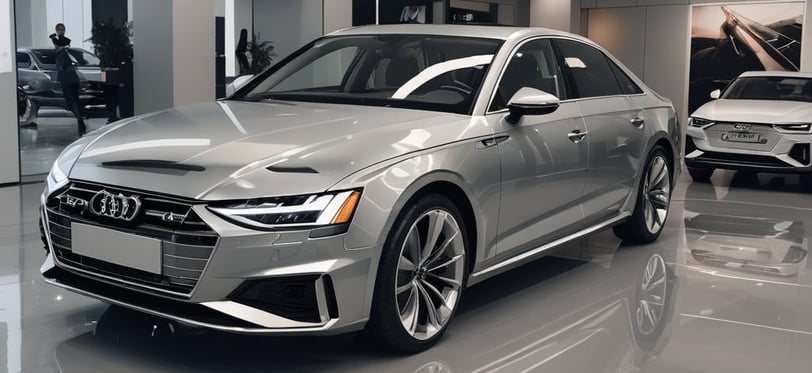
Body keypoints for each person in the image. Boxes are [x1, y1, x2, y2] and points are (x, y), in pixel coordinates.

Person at [51, 24, 86, 136]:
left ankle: (80, 120)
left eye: (62, 30)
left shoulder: (61, 46)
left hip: (67, 76)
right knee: (73, 101)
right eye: (59, 30)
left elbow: (59, 47)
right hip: (68, 76)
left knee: (72, 100)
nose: (61, 31)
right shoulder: (63, 46)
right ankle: (80, 120)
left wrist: (54, 40)